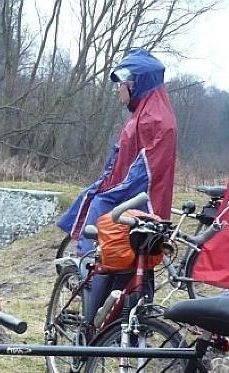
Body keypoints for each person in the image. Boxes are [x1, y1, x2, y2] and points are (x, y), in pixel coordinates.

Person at [57, 47, 177, 321]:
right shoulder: (143, 113)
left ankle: (106, 322)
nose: (117, 90)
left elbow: (144, 173)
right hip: (133, 202)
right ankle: (101, 322)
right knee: (117, 264)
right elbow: (121, 161)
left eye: (120, 84)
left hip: (139, 206)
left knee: (118, 259)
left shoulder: (153, 119)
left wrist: (109, 195)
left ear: (134, 84)